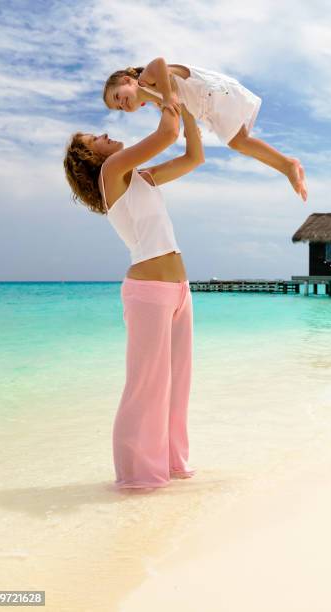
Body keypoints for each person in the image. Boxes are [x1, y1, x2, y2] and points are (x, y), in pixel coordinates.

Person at [63, 99, 203, 491]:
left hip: (179, 291)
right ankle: (136, 476)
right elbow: (167, 134)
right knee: (145, 386)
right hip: (148, 293)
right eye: (97, 139)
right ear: (91, 158)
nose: (106, 136)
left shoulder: (141, 177)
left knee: (177, 383)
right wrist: (166, 95)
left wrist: (189, 109)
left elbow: (194, 156)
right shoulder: (112, 172)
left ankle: (171, 464)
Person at [102, 57, 308, 202]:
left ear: (127, 80)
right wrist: (188, 126)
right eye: (119, 107)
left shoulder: (146, 79)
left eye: (117, 96)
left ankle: (287, 165)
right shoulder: (158, 102)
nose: (122, 104)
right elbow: (183, 105)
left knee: (239, 141)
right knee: (239, 142)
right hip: (206, 107)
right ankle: (287, 164)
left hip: (211, 93)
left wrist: (167, 96)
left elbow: (160, 64)